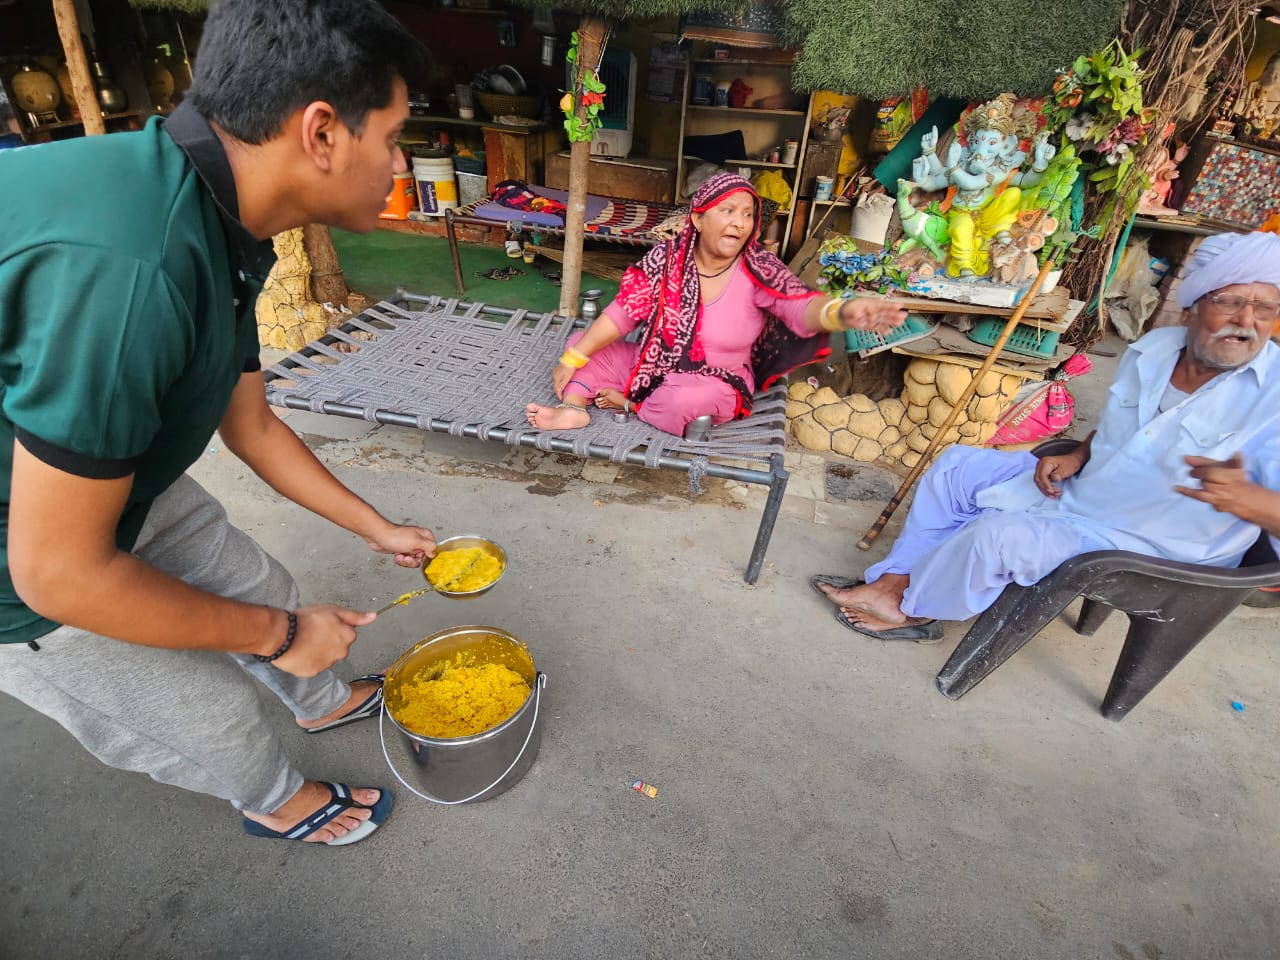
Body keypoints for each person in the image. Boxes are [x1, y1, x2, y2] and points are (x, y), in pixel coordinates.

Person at [0, 0, 434, 846]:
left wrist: (374, 527)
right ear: (320, 133)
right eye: (391, 136)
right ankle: (274, 799)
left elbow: (253, 426)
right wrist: (278, 637)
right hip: (23, 559)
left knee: (256, 584)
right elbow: (57, 574)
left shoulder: (226, 214)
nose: (398, 163)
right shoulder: (132, 269)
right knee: (210, 711)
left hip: (104, 476)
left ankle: (318, 697)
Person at [813, 231, 1280, 642]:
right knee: (956, 466)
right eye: (1230, 301)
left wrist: (1248, 501)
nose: (1247, 321)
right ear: (1194, 305)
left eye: (1265, 308)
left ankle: (914, 608)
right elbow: (1127, 426)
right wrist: (1080, 452)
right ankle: (895, 579)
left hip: (1149, 546)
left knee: (996, 537)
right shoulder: (1155, 350)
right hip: (1084, 493)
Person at [525, 173, 909, 437]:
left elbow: (798, 306)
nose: (739, 223)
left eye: (747, 214)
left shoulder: (759, 269)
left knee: (687, 398)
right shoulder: (666, 260)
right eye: (728, 211)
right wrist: (572, 358)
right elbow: (623, 314)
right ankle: (575, 409)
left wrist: (842, 312)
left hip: (715, 380)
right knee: (583, 343)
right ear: (698, 217)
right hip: (653, 363)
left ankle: (631, 403)